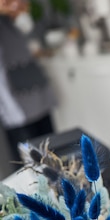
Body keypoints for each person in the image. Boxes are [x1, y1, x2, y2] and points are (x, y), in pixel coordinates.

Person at [0, 0, 56, 171]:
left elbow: (27, 30)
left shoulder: (12, 18)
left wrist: (17, 12)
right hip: (16, 107)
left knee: (53, 154)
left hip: (36, 93)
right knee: (33, 167)